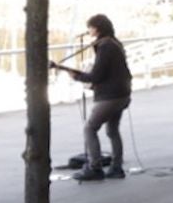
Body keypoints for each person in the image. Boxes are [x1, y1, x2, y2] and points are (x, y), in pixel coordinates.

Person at [52, 14, 132, 181]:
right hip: (122, 94)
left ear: (97, 28)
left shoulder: (105, 46)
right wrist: (72, 72)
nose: (88, 30)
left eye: (90, 27)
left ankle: (95, 168)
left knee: (90, 128)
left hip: (110, 96)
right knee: (112, 131)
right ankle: (116, 168)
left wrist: (78, 77)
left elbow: (96, 76)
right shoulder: (113, 43)